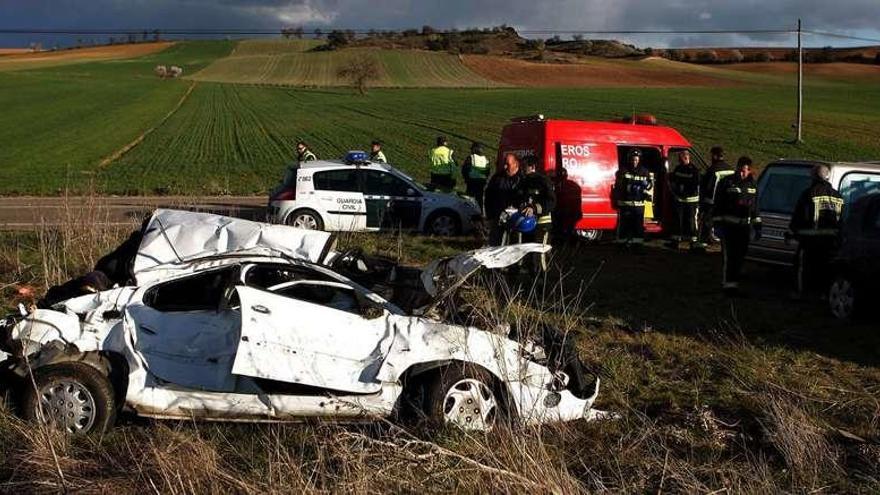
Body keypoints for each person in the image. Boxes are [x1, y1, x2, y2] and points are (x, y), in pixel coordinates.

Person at [788, 164, 844, 299]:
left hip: (810, 241)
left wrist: (792, 231)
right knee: (826, 269)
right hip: (830, 241)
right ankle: (823, 294)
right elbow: (841, 219)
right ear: (827, 176)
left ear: (813, 176)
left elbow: (800, 216)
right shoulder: (837, 196)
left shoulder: (809, 193)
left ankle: (801, 293)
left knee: (803, 268)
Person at [713, 156, 761, 296]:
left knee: (740, 256)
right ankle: (728, 285)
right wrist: (717, 225)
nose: (742, 173)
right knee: (729, 257)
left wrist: (757, 226)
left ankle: (735, 281)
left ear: (750, 170)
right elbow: (718, 205)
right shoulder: (727, 183)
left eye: (744, 171)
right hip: (729, 227)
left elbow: (755, 208)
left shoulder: (753, 185)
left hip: (744, 228)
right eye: (740, 170)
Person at [612, 149, 653, 247]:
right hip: (626, 203)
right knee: (624, 225)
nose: (634, 162)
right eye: (633, 160)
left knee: (638, 226)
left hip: (639, 205)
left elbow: (650, 185)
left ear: (639, 160)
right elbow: (619, 185)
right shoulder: (623, 170)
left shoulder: (644, 171)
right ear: (629, 160)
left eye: (636, 160)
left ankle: (637, 245)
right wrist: (631, 187)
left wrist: (646, 185)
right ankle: (622, 244)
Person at [484, 153, 524, 246]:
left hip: (516, 220)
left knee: (514, 247)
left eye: (508, 164)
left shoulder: (523, 180)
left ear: (516, 164)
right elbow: (488, 197)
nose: (505, 167)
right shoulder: (497, 178)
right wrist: (489, 216)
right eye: (504, 164)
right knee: (495, 245)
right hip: (498, 218)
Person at [699, 146, 733, 246]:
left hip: (712, 202)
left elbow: (706, 188)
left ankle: (703, 242)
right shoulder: (731, 169)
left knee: (707, 223)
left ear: (714, 156)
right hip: (726, 203)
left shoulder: (712, 170)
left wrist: (702, 204)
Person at [667, 150, 701, 250]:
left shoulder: (694, 170)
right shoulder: (678, 168)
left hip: (691, 200)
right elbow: (673, 180)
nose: (680, 159)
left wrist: (684, 191)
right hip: (679, 200)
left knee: (691, 221)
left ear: (687, 158)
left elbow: (696, 185)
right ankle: (675, 241)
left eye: (682, 157)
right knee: (678, 220)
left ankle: (693, 243)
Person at [461, 142, 489, 212]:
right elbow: (487, 172)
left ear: (475, 149)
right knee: (479, 200)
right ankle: (480, 215)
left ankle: (468, 214)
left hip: (471, 182)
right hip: (481, 183)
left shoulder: (471, 158)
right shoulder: (486, 160)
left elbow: (465, 169)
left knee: (469, 200)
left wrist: (466, 179)